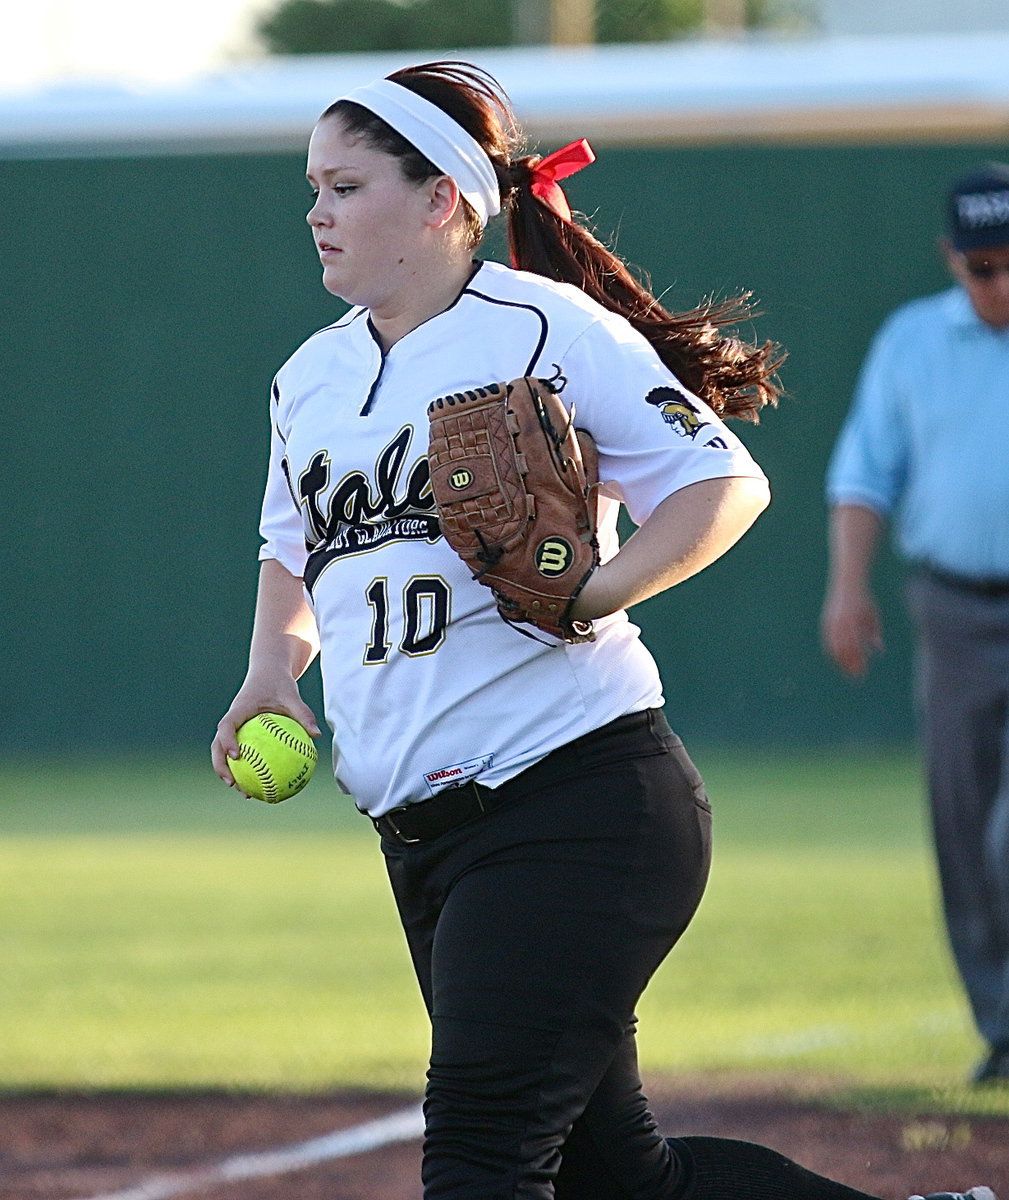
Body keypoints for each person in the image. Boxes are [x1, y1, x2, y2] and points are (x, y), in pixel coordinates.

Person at [212, 60, 995, 1200]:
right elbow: (295, 549)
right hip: (425, 837)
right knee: (622, 1181)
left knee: (481, 1155)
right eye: (312, 188)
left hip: (573, 800)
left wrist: (597, 591)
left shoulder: (542, 327)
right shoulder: (309, 378)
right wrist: (270, 672)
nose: (317, 211)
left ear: (441, 200)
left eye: (343, 185)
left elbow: (719, 482)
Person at [822, 162, 1009, 1088]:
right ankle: (1002, 1028)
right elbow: (864, 473)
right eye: (982, 266)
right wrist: (846, 588)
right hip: (954, 605)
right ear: (950, 259)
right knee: (964, 822)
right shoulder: (910, 341)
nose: (1000, 283)